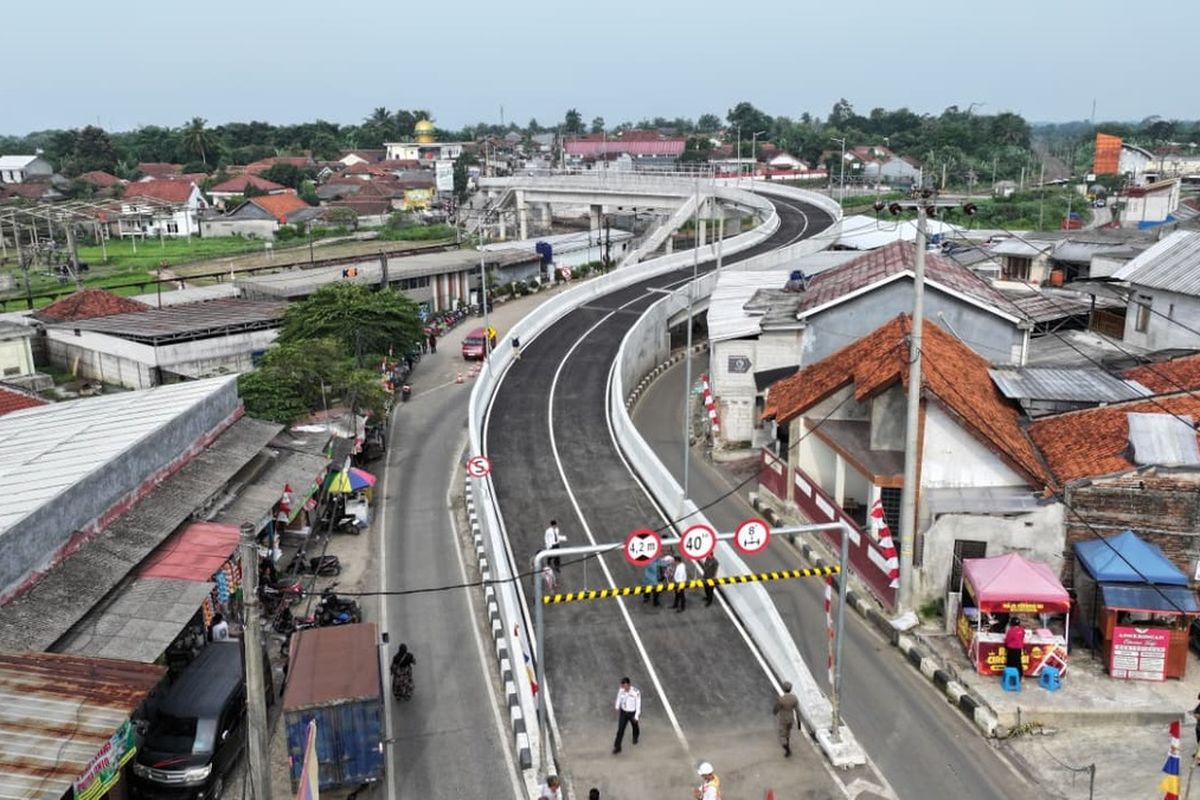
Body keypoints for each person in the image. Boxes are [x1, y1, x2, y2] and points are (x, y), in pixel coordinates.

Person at [612, 676, 641, 754]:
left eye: (626, 686)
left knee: (635, 727)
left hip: (632, 713)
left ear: (629, 684)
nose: (624, 688)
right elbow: (619, 698)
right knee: (620, 730)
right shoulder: (621, 690)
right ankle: (617, 747)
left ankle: (635, 737)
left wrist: (636, 716)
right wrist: (617, 707)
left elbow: (638, 705)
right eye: (623, 686)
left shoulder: (636, 692)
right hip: (623, 713)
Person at [773, 681, 801, 757]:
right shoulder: (794, 698)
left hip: (783, 719)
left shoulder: (781, 699)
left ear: (783, 689)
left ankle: (787, 749)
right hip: (790, 718)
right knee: (788, 733)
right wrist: (799, 722)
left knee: (782, 735)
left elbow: (776, 709)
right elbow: (797, 710)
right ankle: (788, 743)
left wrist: (775, 712)